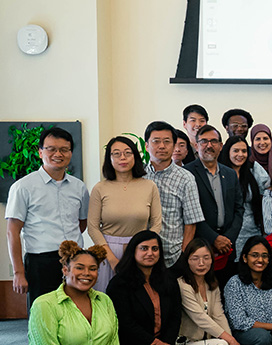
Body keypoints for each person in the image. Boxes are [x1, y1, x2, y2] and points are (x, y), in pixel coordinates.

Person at [106, 231, 189, 345]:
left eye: (154, 249)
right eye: (143, 248)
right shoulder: (119, 284)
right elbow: (125, 325)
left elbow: (175, 317)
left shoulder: (168, 280)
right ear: (133, 252)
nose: (149, 253)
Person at [7, 128, 90, 310]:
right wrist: (18, 272)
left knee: (76, 312)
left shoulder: (79, 187)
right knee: (43, 314)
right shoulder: (23, 187)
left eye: (64, 149)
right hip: (40, 261)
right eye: (51, 149)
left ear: (70, 153)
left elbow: (81, 223)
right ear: (40, 152)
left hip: (75, 258)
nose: (58, 154)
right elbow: (12, 231)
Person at [88, 136, 162, 292]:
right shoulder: (100, 188)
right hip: (108, 251)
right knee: (107, 299)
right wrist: (112, 259)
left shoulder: (149, 186)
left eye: (127, 153)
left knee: (138, 300)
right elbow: (92, 227)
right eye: (116, 153)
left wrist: (144, 247)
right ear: (109, 159)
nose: (123, 157)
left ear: (135, 156)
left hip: (140, 251)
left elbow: (156, 223)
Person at [175, 238, 243, 345]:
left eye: (206, 258)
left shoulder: (211, 284)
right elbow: (200, 318)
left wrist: (231, 342)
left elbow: (219, 315)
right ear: (187, 261)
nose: (201, 263)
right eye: (195, 258)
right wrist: (230, 342)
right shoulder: (183, 285)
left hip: (205, 343)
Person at [185, 125, 245, 272]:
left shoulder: (230, 174)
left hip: (227, 247)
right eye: (204, 141)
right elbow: (189, 213)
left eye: (213, 141)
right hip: (199, 245)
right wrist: (214, 238)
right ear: (196, 145)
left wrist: (227, 239)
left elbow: (239, 209)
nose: (209, 145)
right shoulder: (187, 173)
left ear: (221, 146)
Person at [144, 121, 204, 267]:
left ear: (174, 145)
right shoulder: (138, 175)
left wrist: (183, 254)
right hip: (142, 255)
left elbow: (191, 221)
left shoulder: (186, 178)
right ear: (146, 146)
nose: (162, 146)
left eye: (167, 141)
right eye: (156, 141)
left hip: (172, 256)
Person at [218, 136, 268, 262]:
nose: (240, 154)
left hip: (252, 231)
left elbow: (266, 192)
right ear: (227, 151)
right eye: (236, 151)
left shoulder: (253, 170)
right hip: (227, 234)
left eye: (244, 151)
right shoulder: (219, 173)